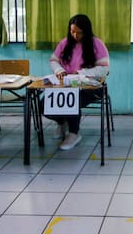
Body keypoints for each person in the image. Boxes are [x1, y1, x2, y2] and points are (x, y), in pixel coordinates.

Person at [45, 14, 110, 150]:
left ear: (86, 31)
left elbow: (104, 69)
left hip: (90, 87)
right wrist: (59, 70)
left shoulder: (96, 44)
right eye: (72, 31)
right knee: (43, 104)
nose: (75, 35)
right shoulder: (64, 43)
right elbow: (53, 60)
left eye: (79, 32)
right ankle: (62, 122)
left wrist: (82, 73)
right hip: (66, 85)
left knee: (72, 100)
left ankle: (74, 134)